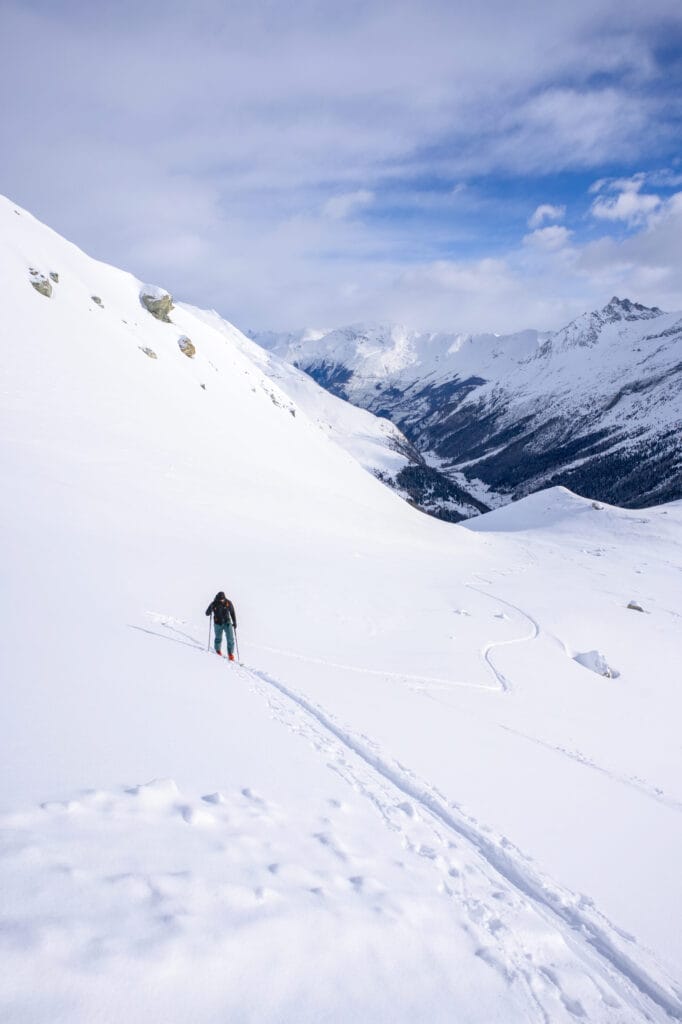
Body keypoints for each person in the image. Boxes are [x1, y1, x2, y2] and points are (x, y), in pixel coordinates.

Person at [206, 591, 237, 660]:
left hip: (227, 623)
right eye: (221, 599)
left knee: (230, 638)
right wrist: (210, 610)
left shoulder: (228, 603)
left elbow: (232, 612)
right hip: (218, 623)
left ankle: (230, 654)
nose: (222, 600)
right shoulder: (214, 603)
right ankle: (218, 650)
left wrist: (234, 622)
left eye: (223, 599)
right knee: (218, 638)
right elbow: (207, 613)